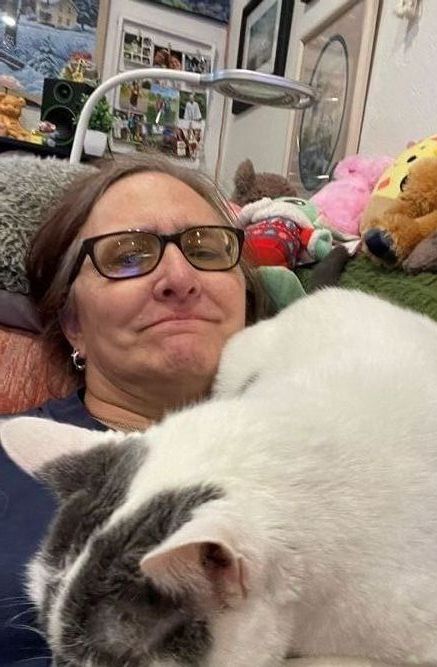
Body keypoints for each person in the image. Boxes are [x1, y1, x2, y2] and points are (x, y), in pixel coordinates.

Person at [0, 155, 266, 665]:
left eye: (206, 248)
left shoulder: (323, 455)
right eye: (127, 256)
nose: (179, 278)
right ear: (73, 323)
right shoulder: (11, 458)